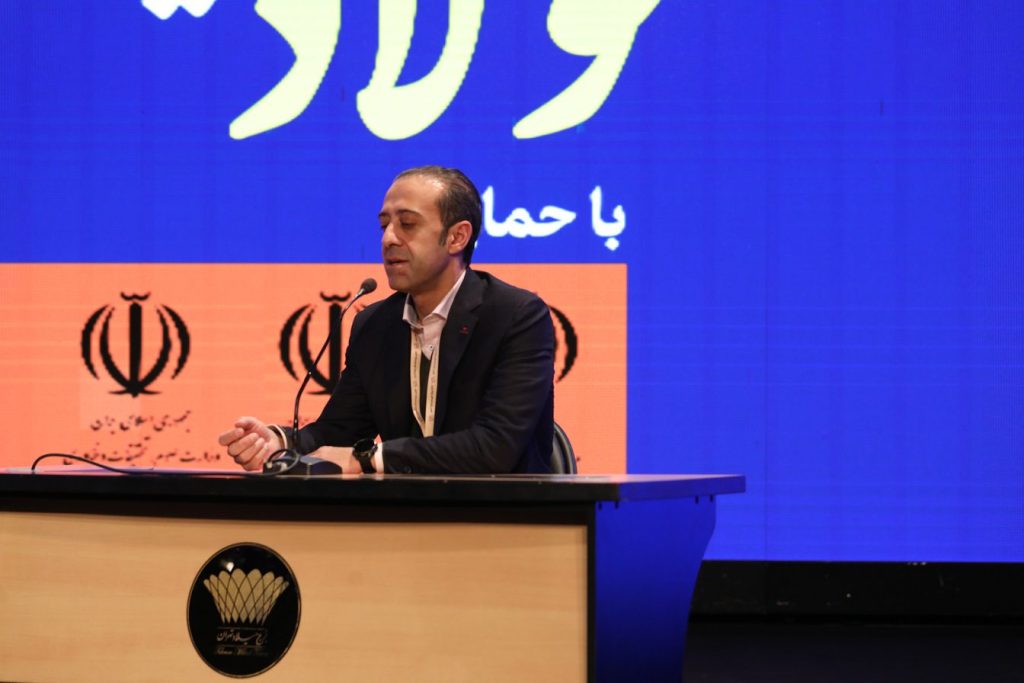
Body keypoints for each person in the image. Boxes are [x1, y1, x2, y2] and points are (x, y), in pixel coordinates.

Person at [217, 166, 555, 474]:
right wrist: (279, 442)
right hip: (402, 514)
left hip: (502, 514)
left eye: (407, 224)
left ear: (457, 237)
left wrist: (369, 459)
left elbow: (495, 447)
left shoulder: (515, 316)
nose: (388, 239)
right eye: (384, 225)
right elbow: (338, 432)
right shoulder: (375, 324)